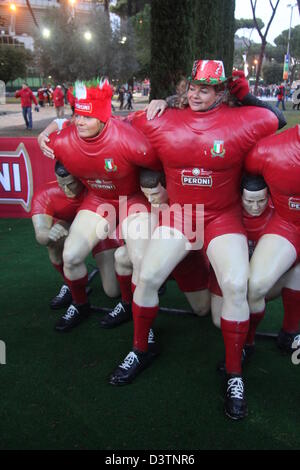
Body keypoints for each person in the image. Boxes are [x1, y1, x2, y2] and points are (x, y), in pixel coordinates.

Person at [109, 60, 285, 420]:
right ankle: (141, 348)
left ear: (221, 92)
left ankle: (234, 374)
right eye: (192, 87)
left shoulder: (244, 120)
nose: (195, 94)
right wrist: (156, 101)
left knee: (237, 285)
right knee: (147, 275)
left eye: (205, 89)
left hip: (223, 216)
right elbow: (115, 126)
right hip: (182, 214)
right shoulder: (162, 118)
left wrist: (248, 95)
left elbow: (277, 120)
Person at [39, 77, 161, 333]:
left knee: (139, 260)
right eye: (77, 116)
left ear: (104, 118)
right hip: (98, 199)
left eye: (88, 117)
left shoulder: (131, 141)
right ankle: (80, 304)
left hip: (132, 199)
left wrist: (164, 102)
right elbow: (62, 125)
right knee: (70, 255)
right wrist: (50, 127)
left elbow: (158, 149)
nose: (80, 121)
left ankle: (132, 308)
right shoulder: (63, 141)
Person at [210, 174, 300, 356]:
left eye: (261, 200)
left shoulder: (279, 214)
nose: (256, 206)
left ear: (269, 197)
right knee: (217, 320)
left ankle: (290, 332)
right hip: (231, 281)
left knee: (298, 270)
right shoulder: (228, 214)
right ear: (240, 197)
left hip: (260, 280)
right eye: (250, 201)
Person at [31, 161, 120, 330]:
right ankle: (76, 295)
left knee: (112, 291)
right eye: (61, 184)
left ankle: (127, 288)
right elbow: (40, 233)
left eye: (71, 183)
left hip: (100, 231)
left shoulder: (96, 189)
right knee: (53, 242)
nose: (66, 189)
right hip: (70, 233)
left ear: (81, 178)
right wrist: (49, 235)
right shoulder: (46, 193)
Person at [245, 125, 300, 359]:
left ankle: (290, 332)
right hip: (288, 225)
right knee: (255, 285)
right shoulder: (270, 150)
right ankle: (245, 341)